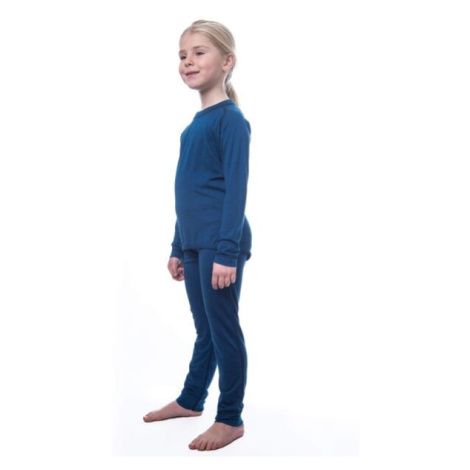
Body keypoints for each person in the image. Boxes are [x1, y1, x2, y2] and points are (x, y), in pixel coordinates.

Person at [143, 20, 252, 452]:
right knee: (205, 329)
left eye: (199, 52)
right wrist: (178, 245)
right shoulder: (192, 126)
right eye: (182, 55)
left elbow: (236, 191)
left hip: (221, 243)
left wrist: (226, 251)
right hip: (194, 241)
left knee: (224, 330)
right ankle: (191, 399)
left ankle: (230, 418)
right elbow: (188, 190)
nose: (188, 61)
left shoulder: (231, 121)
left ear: (227, 61)